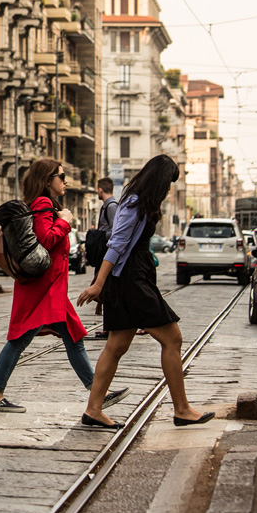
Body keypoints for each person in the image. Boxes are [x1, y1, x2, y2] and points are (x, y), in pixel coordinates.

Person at [0, 158, 129, 415]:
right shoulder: (43, 203)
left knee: (72, 338)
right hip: (43, 289)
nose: (65, 181)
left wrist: (61, 218)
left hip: (50, 289)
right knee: (21, 339)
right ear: (47, 179)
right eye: (61, 176)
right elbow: (45, 239)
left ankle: (98, 392)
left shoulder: (47, 204)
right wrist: (64, 221)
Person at [77, 154, 214, 429]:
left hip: (134, 277)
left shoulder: (142, 202)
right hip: (131, 280)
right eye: (168, 183)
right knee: (172, 338)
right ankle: (182, 409)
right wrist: (98, 284)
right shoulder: (133, 203)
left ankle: (93, 410)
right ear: (159, 180)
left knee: (116, 345)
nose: (169, 189)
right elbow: (115, 245)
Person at [88, 177, 118, 340]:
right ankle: (109, 327)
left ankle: (110, 328)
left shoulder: (111, 207)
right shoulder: (107, 206)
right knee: (105, 290)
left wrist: (99, 236)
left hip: (108, 253)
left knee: (107, 290)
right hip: (104, 253)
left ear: (100, 190)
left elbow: (116, 232)